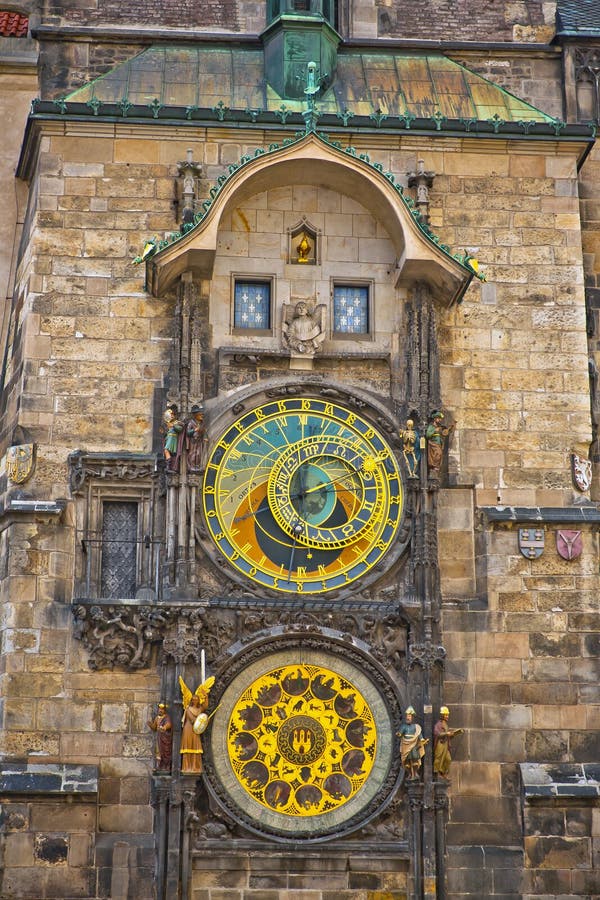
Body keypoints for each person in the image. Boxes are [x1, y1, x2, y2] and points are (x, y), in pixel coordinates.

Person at [179, 676, 215, 774]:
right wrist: (202, 721)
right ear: (191, 700)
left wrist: (206, 696)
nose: (195, 701)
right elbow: (192, 720)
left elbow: (205, 706)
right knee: (188, 746)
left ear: (199, 701)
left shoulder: (199, 709)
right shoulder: (188, 709)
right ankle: (187, 767)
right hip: (189, 729)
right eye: (193, 699)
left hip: (196, 730)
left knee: (196, 746)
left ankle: (195, 767)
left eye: (197, 699)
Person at [397, 706, 428, 780]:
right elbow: (400, 733)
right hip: (406, 744)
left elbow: (419, 734)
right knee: (407, 762)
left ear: (412, 718)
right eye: (407, 716)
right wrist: (399, 734)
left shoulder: (416, 727)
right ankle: (410, 774)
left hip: (413, 744)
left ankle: (415, 773)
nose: (408, 718)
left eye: (409, 716)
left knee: (415, 760)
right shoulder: (404, 726)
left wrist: (422, 740)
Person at [433, 706, 464, 780]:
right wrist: (446, 733)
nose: (447, 716)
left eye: (447, 715)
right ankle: (437, 773)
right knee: (439, 758)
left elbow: (448, 735)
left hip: (446, 744)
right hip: (440, 744)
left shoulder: (446, 725)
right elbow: (437, 733)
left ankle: (443, 773)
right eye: (446, 715)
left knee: (448, 759)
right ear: (442, 715)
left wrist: (453, 734)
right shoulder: (438, 724)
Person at [147, 702, 173, 772]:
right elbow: (154, 728)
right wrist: (150, 725)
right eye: (159, 709)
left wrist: (164, 727)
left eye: (162, 709)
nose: (160, 710)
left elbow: (169, 724)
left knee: (166, 752)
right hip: (159, 737)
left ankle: (167, 766)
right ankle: (160, 766)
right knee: (159, 752)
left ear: (164, 710)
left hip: (165, 738)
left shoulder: (166, 717)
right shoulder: (157, 718)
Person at [186, 404, 206, 472]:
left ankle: (197, 466)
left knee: (198, 454)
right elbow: (188, 432)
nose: (202, 416)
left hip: (199, 440)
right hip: (193, 441)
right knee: (193, 453)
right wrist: (194, 430)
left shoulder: (201, 423)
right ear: (196, 415)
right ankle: (191, 466)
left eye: (202, 415)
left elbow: (204, 431)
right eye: (200, 415)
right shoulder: (191, 423)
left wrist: (204, 435)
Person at [163, 404, 184, 471]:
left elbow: (180, 429)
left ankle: (168, 466)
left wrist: (173, 426)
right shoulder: (168, 423)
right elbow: (166, 432)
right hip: (168, 438)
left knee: (166, 450)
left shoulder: (177, 422)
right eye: (170, 415)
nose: (171, 416)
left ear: (175, 415)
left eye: (172, 414)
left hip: (173, 438)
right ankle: (169, 466)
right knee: (167, 452)